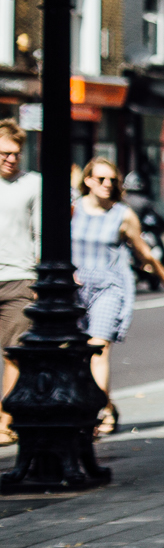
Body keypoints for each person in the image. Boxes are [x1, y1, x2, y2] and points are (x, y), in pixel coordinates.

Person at [73, 156, 164, 437]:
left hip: (109, 287)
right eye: (101, 179)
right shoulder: (73, 210)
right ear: (87, 182)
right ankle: (106, 404)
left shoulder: (123, 214)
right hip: (74, 289)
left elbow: (143, 250)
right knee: (75, 355)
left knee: (98, 348)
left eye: (112, 180)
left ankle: (99, 413)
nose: (107, 184)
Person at [0, 122, 37, 447]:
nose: (10, 159)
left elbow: (41, 232)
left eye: (15, 153)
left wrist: (40, 277)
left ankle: (5, 419)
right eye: (3, 153)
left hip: (18, 278)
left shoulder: (32, 184)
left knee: (13, 353)